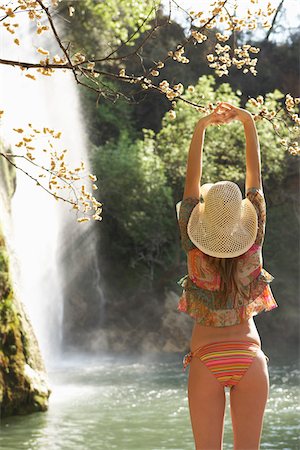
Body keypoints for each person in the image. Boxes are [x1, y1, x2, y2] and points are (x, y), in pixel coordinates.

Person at [176, 101, 278, 450]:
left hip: (207, 358)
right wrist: (247, 121)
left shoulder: (194, 247)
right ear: (242, 220)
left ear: (201, 222)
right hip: (250, 356)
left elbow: (191, 183)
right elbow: (256, 181)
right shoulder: (253, 247)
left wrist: (202, 126)